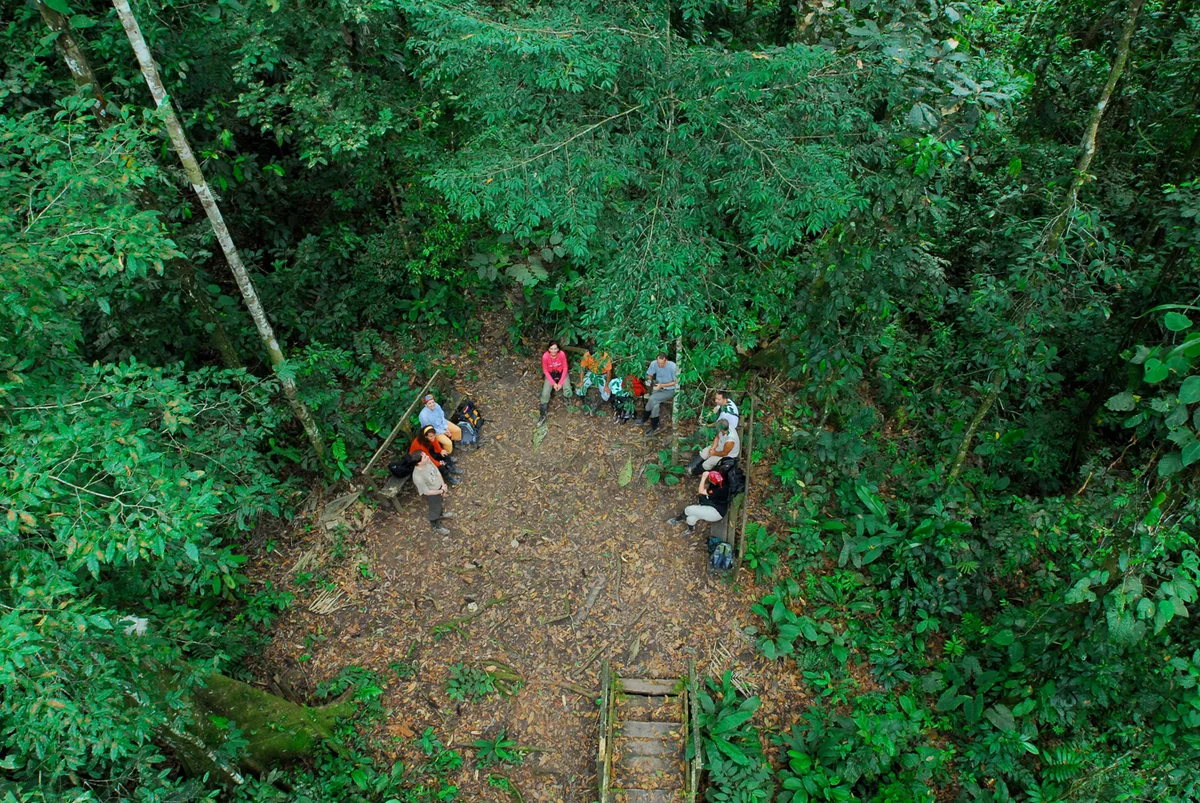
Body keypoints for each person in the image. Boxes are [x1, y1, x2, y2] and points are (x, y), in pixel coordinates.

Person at [667, 471, 731, 535]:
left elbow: (701, 491)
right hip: (713, 504)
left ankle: (678, 519)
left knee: (689, 509)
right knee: (690, 519)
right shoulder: (721, 482)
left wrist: (703, 478)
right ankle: (690, 529)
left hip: (716, 512)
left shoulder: (720, 489)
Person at [408, 451, 456, 535]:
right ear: (419, 463)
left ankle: (441, 514)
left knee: (440, 503)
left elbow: (437, 472)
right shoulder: (418, 477)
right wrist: (442, 491)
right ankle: (435, 525)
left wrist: (443, 485)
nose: (428, 457)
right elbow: (427, 492)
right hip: (432, 495)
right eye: (425, 457)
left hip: (439, 488)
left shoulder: (428, 462)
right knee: (434, 509)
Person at [643, 352, 678, 433]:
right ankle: (655, 425)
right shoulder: (654, 364)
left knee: (652, 398)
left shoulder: (673, 367)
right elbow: (649, 374)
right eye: (658, 363)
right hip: (657, 386)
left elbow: (676, 382)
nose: (660, 365)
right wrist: (649, 380)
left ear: (666, 361)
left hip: (670, 390)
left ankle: (645, 417)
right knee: (655, 405)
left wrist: (662, 385)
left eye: (662, 363)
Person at [539, 341, 573, 422]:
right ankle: (543, 412)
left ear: (558, 349)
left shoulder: (561, 354)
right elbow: (545, 371)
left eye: (555, 349)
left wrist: (560, 383)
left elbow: (565, 368)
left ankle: (566, 399)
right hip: (551, 374)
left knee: (568, 391)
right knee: (545, 393)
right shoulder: (545, 356)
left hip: (561, 373)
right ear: (548, 349)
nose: (553, 351)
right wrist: (553, 384)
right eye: (551, 349)